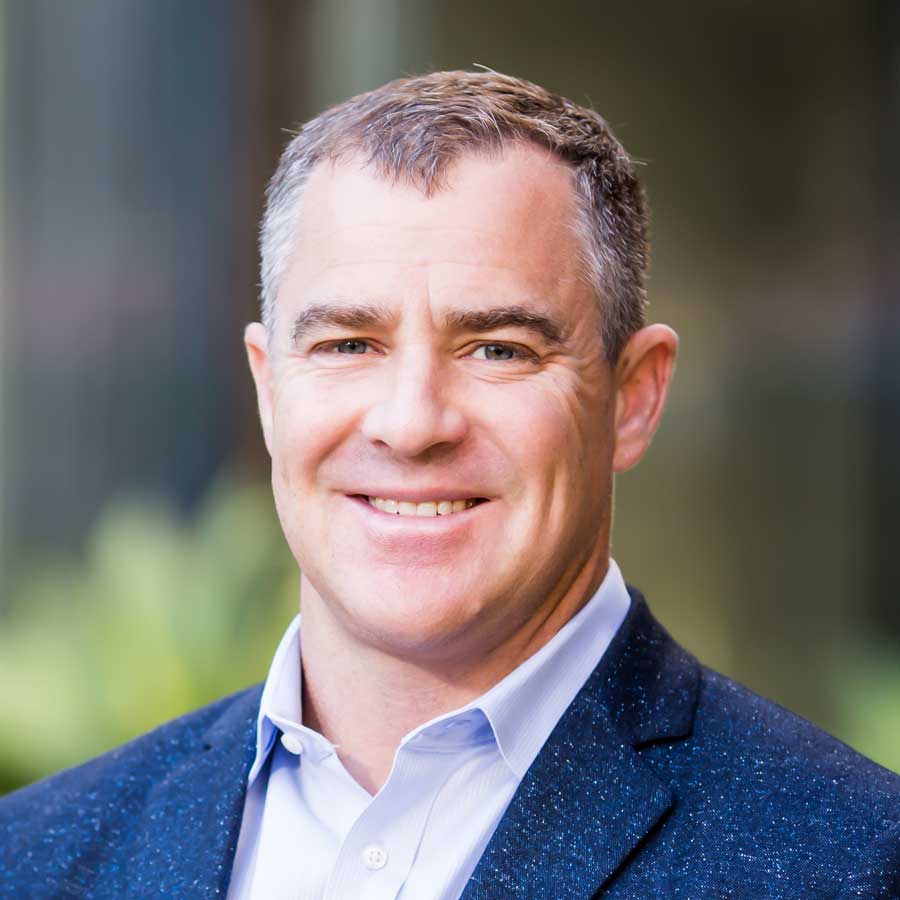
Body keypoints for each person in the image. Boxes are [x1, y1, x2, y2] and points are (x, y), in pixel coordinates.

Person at [1, 69, 898, 900]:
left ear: (633, 397)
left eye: (499, 349)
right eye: (349, 344)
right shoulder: (32, 857)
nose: (413, 421)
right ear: (269, 389)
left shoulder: (854, 861)